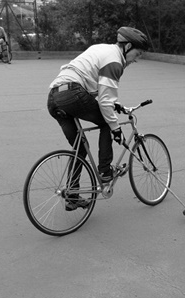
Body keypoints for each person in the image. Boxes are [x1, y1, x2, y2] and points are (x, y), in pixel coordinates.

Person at [47, 26, 149, 210]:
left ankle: (72, 195)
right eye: (138, 53)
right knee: (106, 122)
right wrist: (116, 129)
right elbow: (104, 102)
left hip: (54, 97)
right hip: (72, 93)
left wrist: (113, 105)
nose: (137, 59)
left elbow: (93, 85)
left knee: (79, 147)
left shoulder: (101, 49)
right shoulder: (115, 61)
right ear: (127, 47)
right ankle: (105, 172)